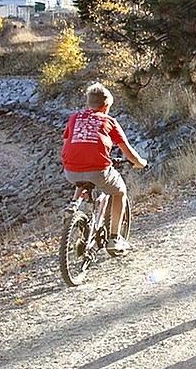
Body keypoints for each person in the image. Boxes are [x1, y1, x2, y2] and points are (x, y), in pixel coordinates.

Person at [61, 82, 148, 252]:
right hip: (98, 170)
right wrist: (140, 163)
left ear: (87, 104)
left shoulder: (74, 118)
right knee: (119, 191)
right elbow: (129, 153)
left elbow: (68, 143)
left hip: (70, 170)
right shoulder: (109, 121)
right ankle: (115, 238)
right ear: (107, 106)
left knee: (83, 177)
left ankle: (74, 204)